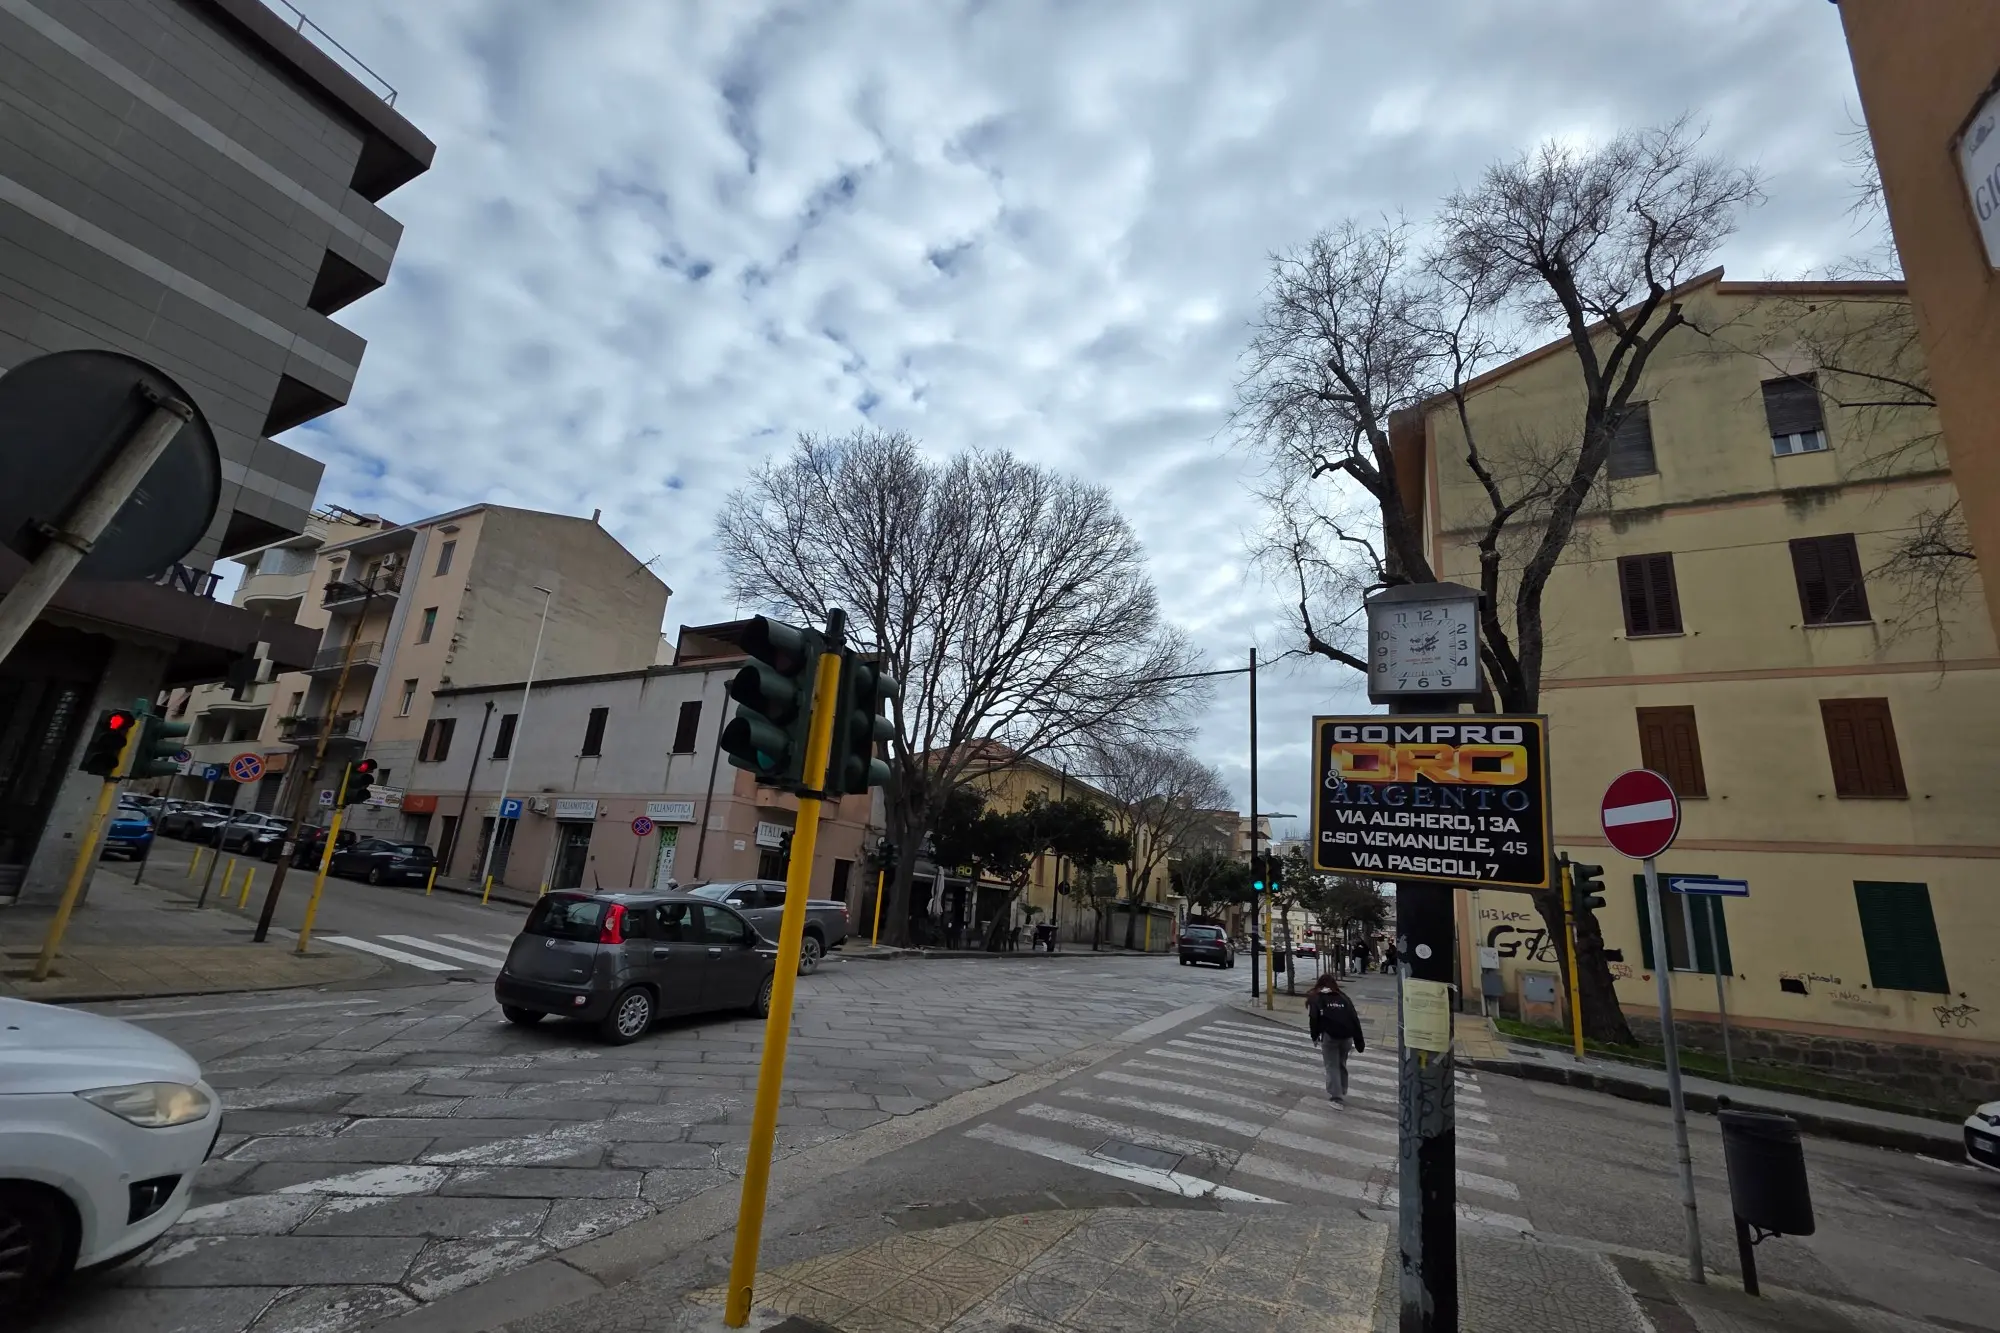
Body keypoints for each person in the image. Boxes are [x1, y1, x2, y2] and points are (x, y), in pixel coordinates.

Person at [1306, 973, 1364, 1106]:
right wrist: (1359, 1041)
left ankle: (1336, 1097)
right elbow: (1354, 1019)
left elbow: (1314, 1019)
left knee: (1332, 1065)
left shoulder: (1317, 997)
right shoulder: (1344, 997)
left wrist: (1314, 1036)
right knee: (1341, 1063)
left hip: (1330, 1037)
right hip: (1347, 1037)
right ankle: (1342, 1089)